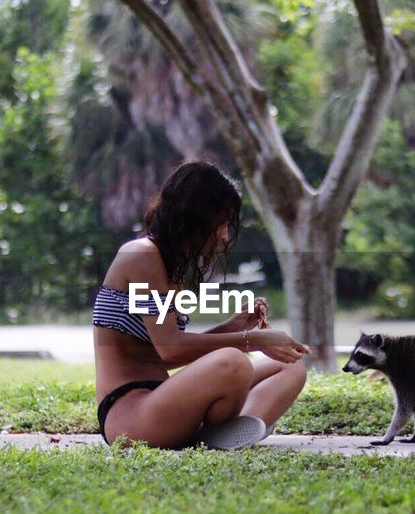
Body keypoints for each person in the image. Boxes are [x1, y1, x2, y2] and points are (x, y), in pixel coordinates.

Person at [93, 160, 311, 449]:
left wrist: (232, 327)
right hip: (132, 415)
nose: (224, 235)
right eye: (220, 223)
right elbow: (170, 349)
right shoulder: (141, 255)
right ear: (192, 216)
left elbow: (168, 349)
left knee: (289, 367)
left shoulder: (170, 266)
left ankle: (232, 430)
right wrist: (252, 340)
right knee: (233, 362)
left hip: (166, 400)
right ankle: (225, 431)